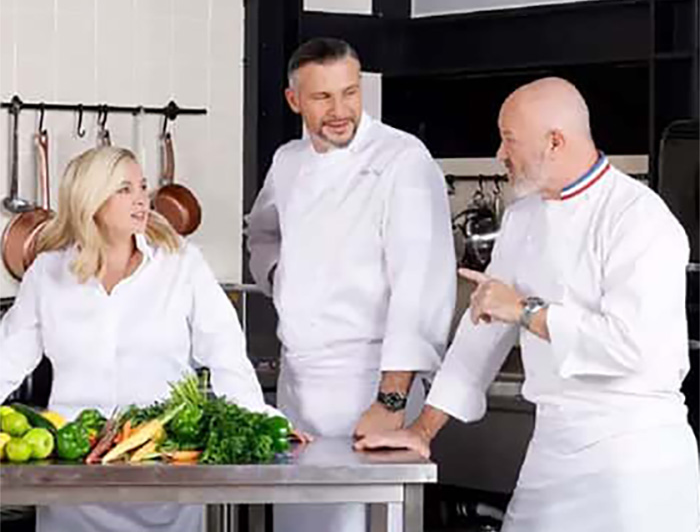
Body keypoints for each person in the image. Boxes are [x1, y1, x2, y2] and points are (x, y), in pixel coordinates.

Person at [355, 77, 700, 532]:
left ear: (555, 142)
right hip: (552, 453)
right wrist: (422, 430)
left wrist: (526, 311)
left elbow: (632, 347)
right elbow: (481, 334)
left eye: (509, 139)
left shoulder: (640, 219)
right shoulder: (522, 217)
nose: (500, 153)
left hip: (634, 459)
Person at [0, 146, 283, 532]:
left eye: (142, 186)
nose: (142, 199)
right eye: (124, 189)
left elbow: (225, 352)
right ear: (90, 200)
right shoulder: (48, 274)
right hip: (75, 475)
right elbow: (9, 357)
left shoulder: (181, 264)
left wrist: (257, 418)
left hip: (162, 468)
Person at [246, 37, 456, 532]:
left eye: (350, 93)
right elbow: (262, 232)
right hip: (299, 390)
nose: (340, 111)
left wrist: (391, 402)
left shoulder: (403, 159)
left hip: (371, 385)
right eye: (323, 97)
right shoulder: (288, 161)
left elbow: (420, 287)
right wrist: (280, 277)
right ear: (294, 100)